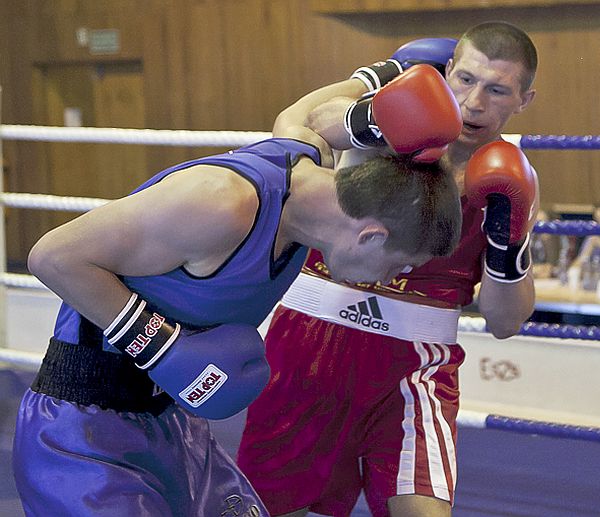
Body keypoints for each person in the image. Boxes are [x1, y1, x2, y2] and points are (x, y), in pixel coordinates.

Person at [12, 64, 465, 517]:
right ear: (371, 236)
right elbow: (53, 256)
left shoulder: (307, 159)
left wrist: (386, 76)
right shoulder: (219, 202)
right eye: (399, 264)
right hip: (83, 433)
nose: (387, 278)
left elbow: (306, 114)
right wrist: (162, 348)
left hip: (174, 427)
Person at [237, 22, 539, 517]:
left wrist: (510, 241)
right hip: (307, 349)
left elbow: (506, 322)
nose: (474, 102)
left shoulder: (511, 180)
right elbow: (296, 125)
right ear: (446, 71)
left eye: (497, 90)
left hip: (415, 373)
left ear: (524, 100)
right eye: (465, 80)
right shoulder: (389, 131)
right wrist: (379, 84)